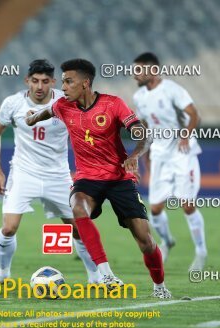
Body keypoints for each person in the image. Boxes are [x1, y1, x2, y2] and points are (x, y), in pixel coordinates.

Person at [26, 59, 171, 298]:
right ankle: (106, 275)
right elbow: (45, 112)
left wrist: (134, 154)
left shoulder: (113, 105)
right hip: (87, 178)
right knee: (77, 208)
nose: (63, 87)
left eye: (68, 82)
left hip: (119, 178)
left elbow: (142, 135)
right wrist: (32, 118)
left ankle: (159, 287)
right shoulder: (63, 105)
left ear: (85, 83)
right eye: (62, 82)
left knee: (145, 240)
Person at [0, 59, 102, 291]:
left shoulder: (66, 102)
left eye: (45, 81)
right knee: (9, 228)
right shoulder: (13, 103)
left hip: (58, 175)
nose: (39, 86)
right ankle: (2, 274)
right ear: (27, 81)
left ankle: (95, 278)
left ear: (53, 82)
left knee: (79, 227)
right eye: (35, 81)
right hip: (24, 173)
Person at [132, 52, 207, 271]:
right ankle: (167, 241)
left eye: (139, 70)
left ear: (152, 70)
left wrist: (185, 134)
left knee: (187, 204)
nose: (135, 75)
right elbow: (146, 128)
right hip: (160, 153)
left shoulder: (172, 90)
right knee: (154, 209)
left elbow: (194, 115)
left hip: (183, 152)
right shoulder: (139, 98)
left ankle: (201, 251)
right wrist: (142, 154)